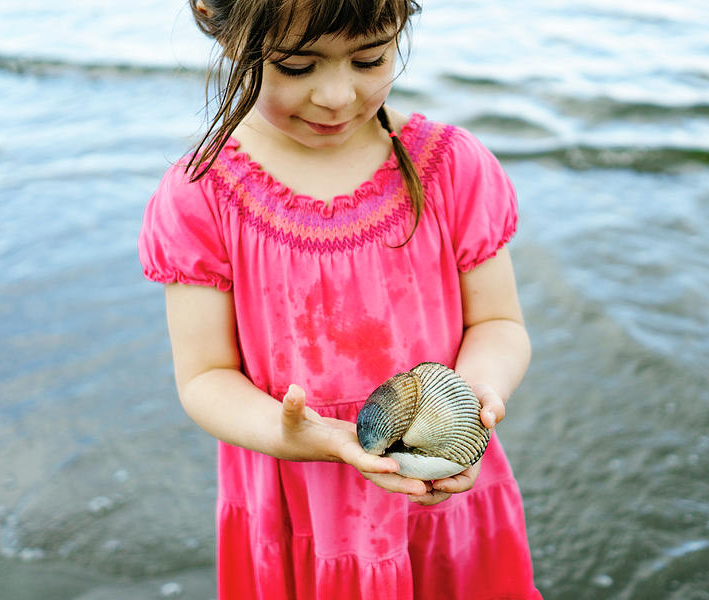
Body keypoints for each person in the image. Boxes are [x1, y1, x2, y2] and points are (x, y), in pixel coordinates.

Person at [138, 0, 540, 598]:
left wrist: (481, 395)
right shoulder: (203, 196)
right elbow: (205, 377)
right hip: (300, 505)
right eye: (297, 66)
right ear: (221, 27)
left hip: (440, 486)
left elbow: (499, 323)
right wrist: (288, 434)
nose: (336, 95)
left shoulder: (452, 168)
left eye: (370, 58)